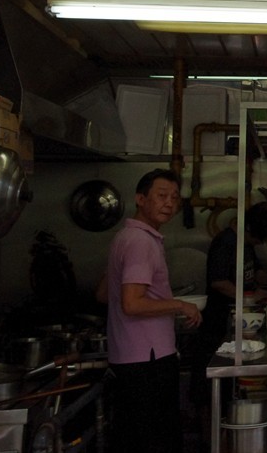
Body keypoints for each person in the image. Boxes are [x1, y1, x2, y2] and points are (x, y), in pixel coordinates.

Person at [103, 168, 202, 453]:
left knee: (135, 436)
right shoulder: (140, 242)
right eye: (161, 196)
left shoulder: (126, 237)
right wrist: (179, 304)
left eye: (174, 197)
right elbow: (131, 303)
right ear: (140, 198)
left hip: (129, 356)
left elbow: (103, 293)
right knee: (157, 439)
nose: (169, 203)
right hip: (148, 359)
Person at [190, 201, 267, 410]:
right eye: (261, 238)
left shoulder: (246, 243)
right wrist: (250, 297)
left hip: (240, 325)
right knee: (216, 394)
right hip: (218, 327)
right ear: (249, 227)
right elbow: (219, 282)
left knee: (233, 387)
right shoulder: (224, 243)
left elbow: (255, 269)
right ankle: (217, 433)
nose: (261, 242)